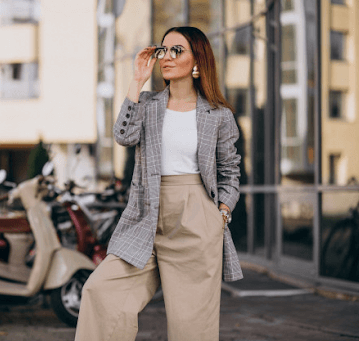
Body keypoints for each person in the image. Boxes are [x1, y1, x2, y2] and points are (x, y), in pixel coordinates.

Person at [74, 26, 243, 341]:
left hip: (197, 219)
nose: (166, 56)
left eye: (177, 50)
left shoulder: (218, 115)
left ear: (197, 62)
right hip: (146, 214)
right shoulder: (149, 104)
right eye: (163, 49)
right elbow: (123, 135)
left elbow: (230, 171)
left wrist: (220, 214)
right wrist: (137, 81)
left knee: (191, 327)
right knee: (101, 291)